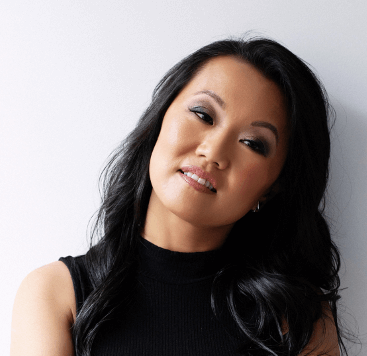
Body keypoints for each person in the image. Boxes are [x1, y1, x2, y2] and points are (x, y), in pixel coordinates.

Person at [11, 37, 346, 355]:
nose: (213, 151)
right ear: (160, 118)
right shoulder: (56, 294)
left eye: (253, 143)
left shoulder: (298, 317)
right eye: (203, 115)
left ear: (275, 186)